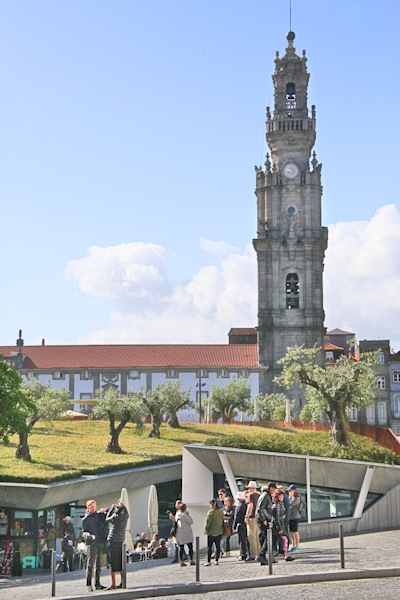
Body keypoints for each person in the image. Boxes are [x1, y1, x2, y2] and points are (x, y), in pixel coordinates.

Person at [82, 499, 108, 592]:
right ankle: (89, 584)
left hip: (100, 541)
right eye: (91, 507)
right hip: (92, 543)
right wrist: (87, 534)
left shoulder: (99, 515)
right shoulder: (86, 519)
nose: (93, 508)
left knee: (99, 564)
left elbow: (109, 513)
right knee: (90, 564)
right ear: (88, 508)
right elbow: (83, 532)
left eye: (94, 506)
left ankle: (97, 583)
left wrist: (104, 510)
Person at [105, 499, 129, 590]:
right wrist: (122, 505)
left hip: (112, 540)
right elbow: (126, 512)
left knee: (111, 562)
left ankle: (113, 584)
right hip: (121, 541)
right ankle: (123, 582)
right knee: (121, 562)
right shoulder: (126, 516)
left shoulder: (115, 517)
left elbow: (107, 519)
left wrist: (111, 509)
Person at [255, 483, 275, 566]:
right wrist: (264, 519)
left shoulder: (266, 495)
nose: (274, 490)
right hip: (263, 519)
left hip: (264, 519)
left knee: (266, 538)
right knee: (269, 538)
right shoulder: (265, 495)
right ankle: (261, 555)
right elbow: (260, 508)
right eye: (273, 488)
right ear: (270, 488)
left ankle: (266, 556)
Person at [272, 489, 294, 562]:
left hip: (280, 525)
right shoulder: (277, 505)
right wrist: (280, 528)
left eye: (282, 495)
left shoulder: (280, 503)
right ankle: (285, 555)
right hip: (277, 526)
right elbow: (277, 518)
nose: (282, 497)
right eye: (280, 495)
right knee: (284, 539)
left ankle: (285, 555)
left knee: (284, 539)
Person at [203, 498, 224, 566]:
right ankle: (216, 560)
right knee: (218, 546)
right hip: (219, 531)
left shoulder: (210, 512)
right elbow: (222, 519)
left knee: (210, 547)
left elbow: (207, 522)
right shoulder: (220, 511)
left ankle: (209, 561)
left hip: (211, 532)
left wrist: (206, 530)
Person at [244, 481, 260, 561]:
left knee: (251, 536)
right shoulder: (259, 495)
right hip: (258, 517)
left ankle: (253, 554)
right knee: (256, 536)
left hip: (252, 517)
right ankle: (259, 553)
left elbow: (250, 506)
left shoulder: (250, 495)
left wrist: (246, 516)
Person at [233, 491, 248, 561]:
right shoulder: (247, 504)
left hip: (241, 524)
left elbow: (236, 517)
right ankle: (247, 553)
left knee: (241, 540)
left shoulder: (239, 506)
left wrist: (234, 526)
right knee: (246, 539)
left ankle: (243, 554)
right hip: (247, 524)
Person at [288, 485, 302, 552]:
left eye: (291, 490)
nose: (290, 492)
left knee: (295, 531)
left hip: (295, 516)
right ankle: (293, 545)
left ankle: (297, 545)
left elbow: (291, 504)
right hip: (290, 517)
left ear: (294, 490)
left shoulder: (297, 498)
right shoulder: (290, 498)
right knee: (291, 532)